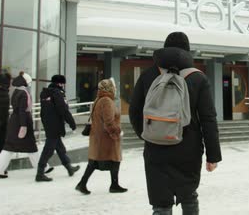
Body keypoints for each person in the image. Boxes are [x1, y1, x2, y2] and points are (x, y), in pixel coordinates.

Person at [129, 32, 222, 215]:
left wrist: (148, 133)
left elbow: (134, 111)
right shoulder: (197, 78)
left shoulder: (148, 76)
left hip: (156, 149)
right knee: (189, 197)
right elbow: (208, 119)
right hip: (188, 149)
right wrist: (213, 155)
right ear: (187, 51)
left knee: (161, 204)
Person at [0, 72, 50, 178]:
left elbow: (17, 109)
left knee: (9, 147)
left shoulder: (16, 91)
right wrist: (23, 125)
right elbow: (22, 110)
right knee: (31, 146)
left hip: (14, 122)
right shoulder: (23, 93)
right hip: (22, 122)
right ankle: (42, 167)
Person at [75, 78, 127, 195]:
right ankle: (114, 185)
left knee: (94, 162)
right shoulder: (106, 101)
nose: (115, 89)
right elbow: (108, 121)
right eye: (113, 87)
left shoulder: (99, 99)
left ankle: (82, 183)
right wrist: (116, 132)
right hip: (107, 138)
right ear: (109, 88)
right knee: (114, 160)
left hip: (98, 137)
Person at [36, 74, 80, 182]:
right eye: (63, 84)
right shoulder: (57, 94)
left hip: (48, 124)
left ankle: (69, 167)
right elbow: (63, 110)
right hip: (55, 125)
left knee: (60, 148)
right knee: (48, 150)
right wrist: (72, 123)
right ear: (59, 83)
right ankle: (40, 173)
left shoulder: (45, 93)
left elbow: (44, 111)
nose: (63, 86)